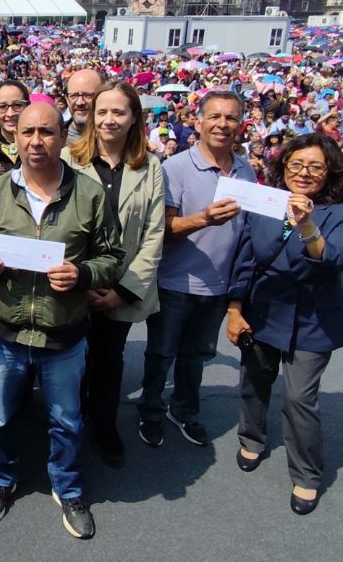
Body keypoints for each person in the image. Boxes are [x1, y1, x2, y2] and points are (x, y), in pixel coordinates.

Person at [0, 103, 123, 540]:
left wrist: (84, 274)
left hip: (64, 335)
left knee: (67, 420)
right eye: (27, 132)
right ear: (13, 137)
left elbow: (113, 258)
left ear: (63, 137)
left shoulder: (90, 194)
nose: (37, 141)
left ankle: (68, 486)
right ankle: (2, 479)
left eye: (47, 132)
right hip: (5, 333)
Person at [225, 134, 343, 516]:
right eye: (296, 165)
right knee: (254, 381)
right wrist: (235, 309)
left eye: (315, 166)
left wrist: (306, 225)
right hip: (263, 310)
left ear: (330, 171)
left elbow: (333, 258)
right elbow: (245, 259)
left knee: (300, 398)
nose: (303, 173)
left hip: (312, 318)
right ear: (283, 167)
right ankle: (251, 437)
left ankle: (307, 475)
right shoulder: (265, 203)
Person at [137, 91, 252, 449]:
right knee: (161, 354)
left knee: (196, 356)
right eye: (215, 116)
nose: (222, 124)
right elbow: (162, 230)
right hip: (175, 283)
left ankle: (184, 410)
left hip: (219, 286)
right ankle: (151, 411)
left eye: (230, 118)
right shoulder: (175, 168)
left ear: (240, 124)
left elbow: (249, 230)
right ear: (198, 121)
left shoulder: (247, 170)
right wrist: (203, 219)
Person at [65, 82, 165, 469]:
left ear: (134, 118)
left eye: (118, 112)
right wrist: (81, 279)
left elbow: (154, 236)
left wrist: (122, 292)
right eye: (101, 111)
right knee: (69, 364)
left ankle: (104, 426)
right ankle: (68, 427)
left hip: (121, 288)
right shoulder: (68, 159)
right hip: (74, 284)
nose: (108, 119)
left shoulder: (151, 167)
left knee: (109, 363)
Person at [0, 80, 30, 174]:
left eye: (17, 105)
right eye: (2, 106)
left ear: (28, 107)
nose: (10, 114)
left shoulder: (41, 144)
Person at [64, 69, 102, 142]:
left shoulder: (119, 141)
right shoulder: (56, 139)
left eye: (87, 95)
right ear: (67, 99)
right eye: (74, 96)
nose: (80, 102)